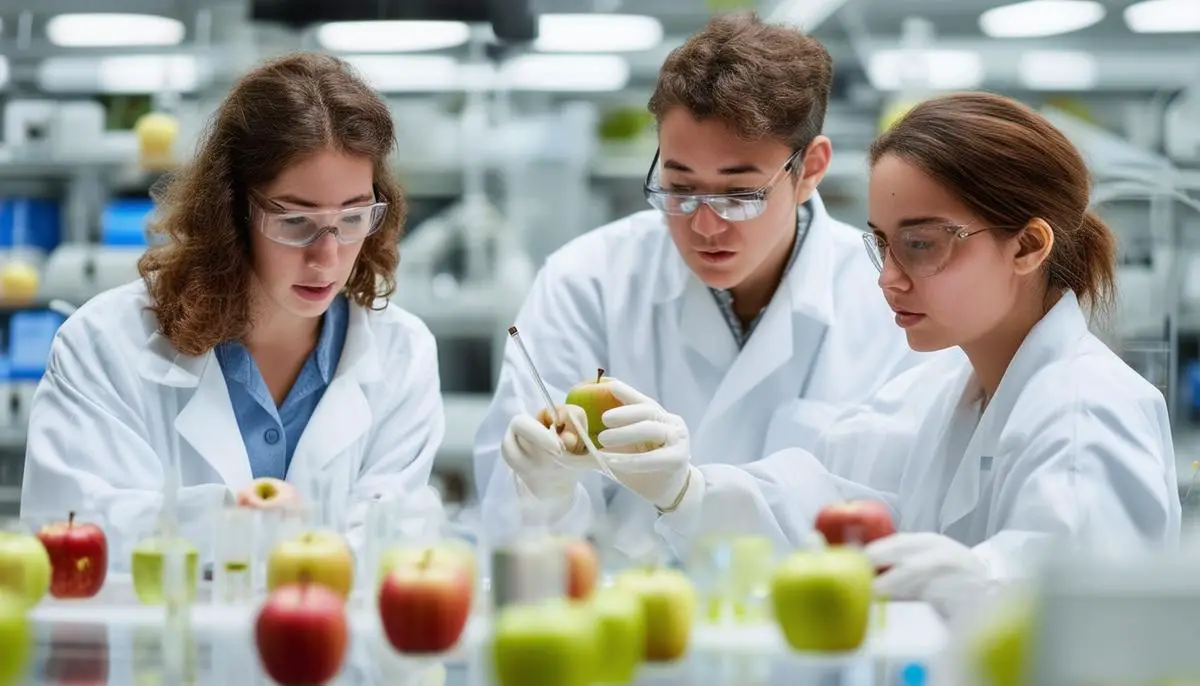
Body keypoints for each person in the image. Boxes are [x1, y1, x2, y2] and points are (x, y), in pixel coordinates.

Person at [651, 91, 1181, 616]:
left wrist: (985, 585)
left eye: (921, 244)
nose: (887, 278)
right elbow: (828, 499)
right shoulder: (940, 392)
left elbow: (1093, 622)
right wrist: (686, 489)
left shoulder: (1085, 415)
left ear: (1026, 246)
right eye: (882, 243)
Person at [474, 12, 930, 558]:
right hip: (629, 628)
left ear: (810, 168)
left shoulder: (889, 301)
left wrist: (694, 497)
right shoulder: (587, 283)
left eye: (739, 195)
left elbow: (901, 514)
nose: (705, 225)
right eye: (679, 187)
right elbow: (520, 539)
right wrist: (546, 495)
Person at [20, 53, 445, 567]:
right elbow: (76, 535)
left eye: (354, 216)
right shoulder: (106, 344)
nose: (326, 257)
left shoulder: (403, 354)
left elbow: (390, 545)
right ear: (231, 210)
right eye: (295, 221)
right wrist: (231, 524)